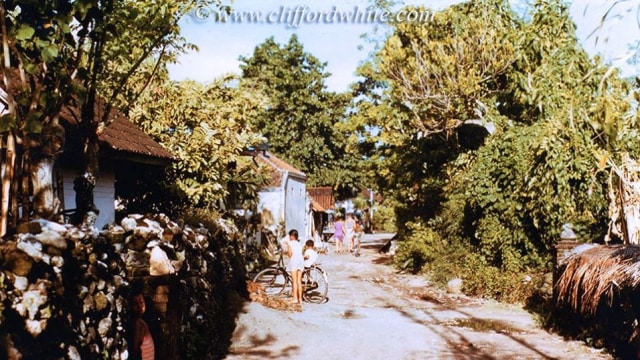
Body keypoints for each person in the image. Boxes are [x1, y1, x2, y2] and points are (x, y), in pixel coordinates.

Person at [130, 286, 155, 360]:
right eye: (135, 304)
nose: (139, 306)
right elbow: (135, 349)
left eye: (141, 302)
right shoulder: (137, 323)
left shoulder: (141, 321)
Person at [285, 229, 304, 304]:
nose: (289, 237)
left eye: (290, 235)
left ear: (292, 236)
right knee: (299, 281)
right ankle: (300, 299)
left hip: (294, 261)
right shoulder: (300, 243)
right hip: (301, 261)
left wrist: (287, 250)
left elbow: (290, 254)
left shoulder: (290, 243)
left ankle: (295, 298)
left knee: (294, 281)